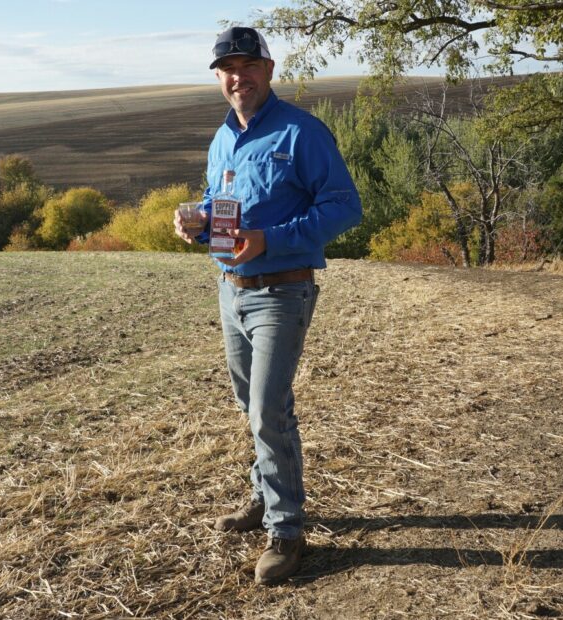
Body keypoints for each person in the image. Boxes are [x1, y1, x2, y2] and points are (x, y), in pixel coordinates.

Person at [174, 26, 362, 585]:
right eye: (227, 69)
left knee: (266, 409)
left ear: (269, 69)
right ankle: (263, 496)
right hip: (231, 289)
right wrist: (198, 219)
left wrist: (269, 238)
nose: (239, 78)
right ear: (218, 79)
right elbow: (220, 200)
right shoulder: (222, 137)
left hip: (283, 288)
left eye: (247, 66)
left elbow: (345, 207)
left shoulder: (302, 132)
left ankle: (286, 530)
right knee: (250, 404)